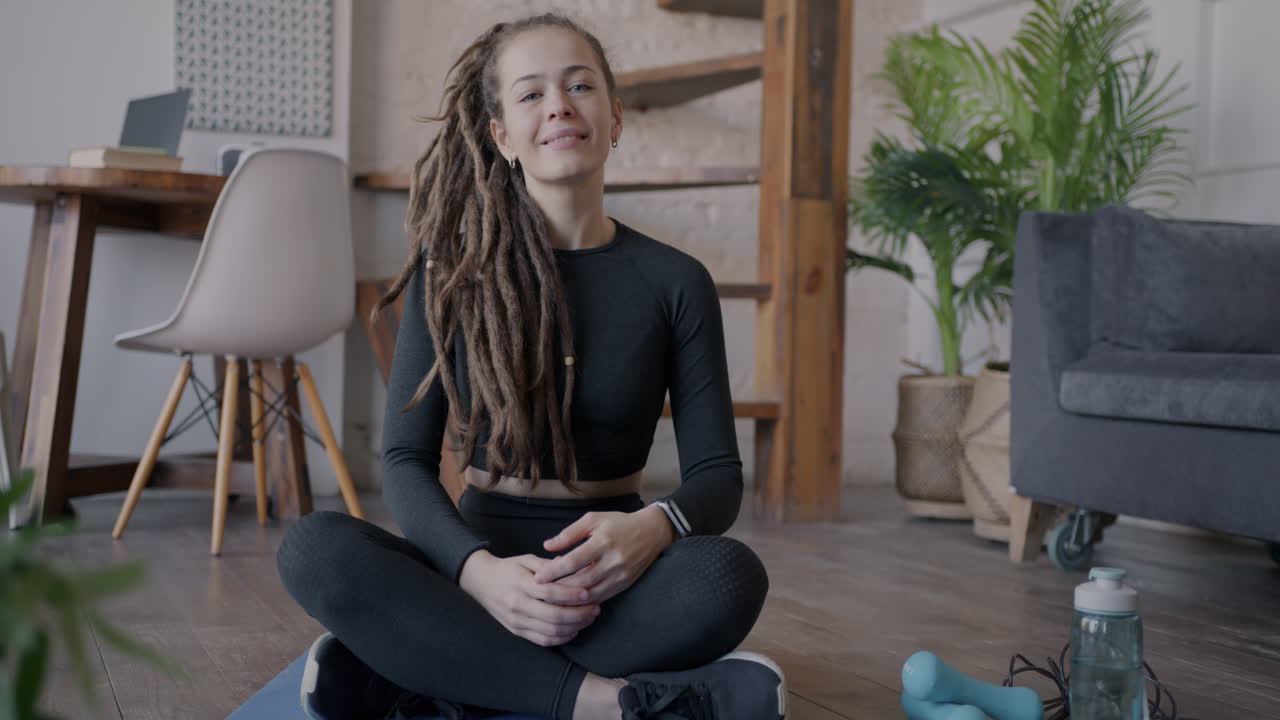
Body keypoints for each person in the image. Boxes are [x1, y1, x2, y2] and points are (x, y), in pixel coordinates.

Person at [277, 12, 784, 720]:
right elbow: (402, 457)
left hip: (610, 580)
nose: (559, 105)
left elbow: (717, 479)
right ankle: (600, 702)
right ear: (501, 136)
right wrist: (479, 575)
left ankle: (417, 673)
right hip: (475, 568)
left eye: (581, 85)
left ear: (615, 117)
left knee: (729, 578)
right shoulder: (452, 270)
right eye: (530, 94)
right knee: (313, 548)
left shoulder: (676, 281)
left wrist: (652, 530)